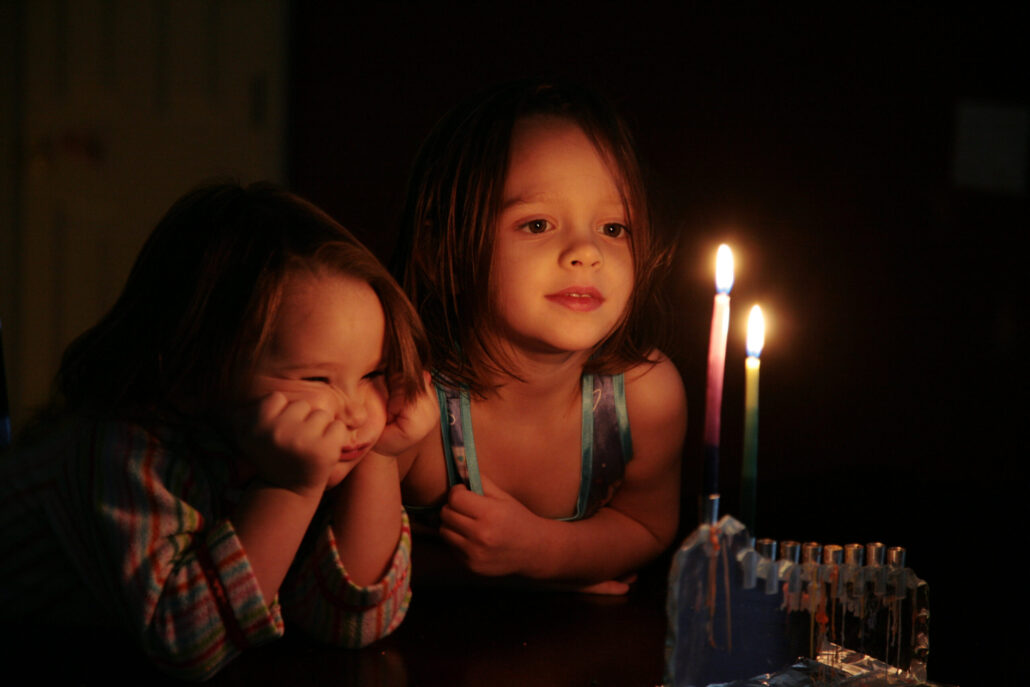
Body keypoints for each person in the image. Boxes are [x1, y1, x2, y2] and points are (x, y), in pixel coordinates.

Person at [0, 182, 436, 680]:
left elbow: (353, 624)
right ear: (195, 370)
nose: (358, 410)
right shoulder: (124, 450)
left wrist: (381, 455)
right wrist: (289, 489)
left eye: (374, 374)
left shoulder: (314, 441)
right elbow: (188, 644)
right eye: (316, 378)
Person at [394, 79, 687, 593]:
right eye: (537, 225)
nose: (586, 251)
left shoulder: (644, 397)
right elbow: (345, 568)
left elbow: (648, 526)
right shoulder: (409, 403)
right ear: (439, 249)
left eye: (614, 228)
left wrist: (546, 554)